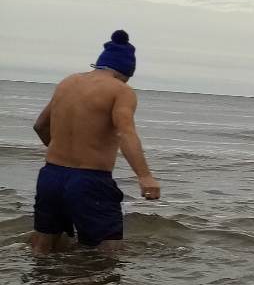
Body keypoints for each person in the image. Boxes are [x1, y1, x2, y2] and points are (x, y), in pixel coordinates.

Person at [29, 31, 161, 253]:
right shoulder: (121, 91)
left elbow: (40, 125)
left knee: (43, 247)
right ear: (125, 73)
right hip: (90, 181)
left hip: (50, 177)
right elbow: (126, 133)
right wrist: (145, 176)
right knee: (108, 253)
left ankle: (41, 277)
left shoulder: (67, 82)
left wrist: (62, 151)